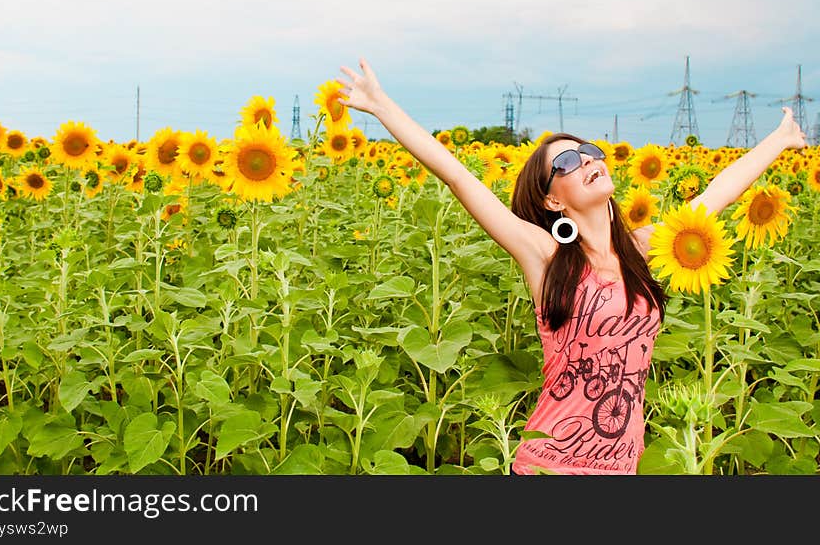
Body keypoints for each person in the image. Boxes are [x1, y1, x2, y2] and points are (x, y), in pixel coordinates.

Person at [336, 57, 808, 475]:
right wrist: (382, 107)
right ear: (550, 198)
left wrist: (780, 139)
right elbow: (459, 177)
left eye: (590, 152)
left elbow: (716, 196)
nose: (586, 160)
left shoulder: (646, 249)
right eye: (565, 160)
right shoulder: (545, 255)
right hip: (551, 465)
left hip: (623, 464)